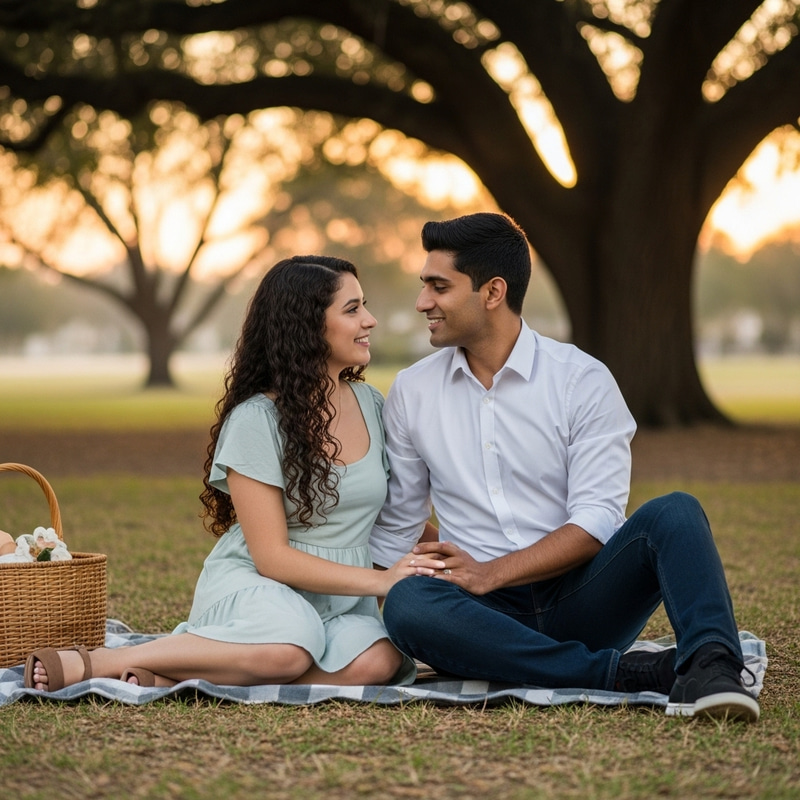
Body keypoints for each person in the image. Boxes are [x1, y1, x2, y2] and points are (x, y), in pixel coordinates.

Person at [370, 212, 760, 723]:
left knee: (675, 513)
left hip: (584, 598)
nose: (423, 302)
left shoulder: (582, 380)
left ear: (492, 292)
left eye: (438, 287)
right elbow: (398, 526)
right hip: (480, 616)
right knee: (408, 603)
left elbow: (596, 521)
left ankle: (712, 668)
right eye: (425, 286)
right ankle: (624, 674)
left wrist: (491, 572)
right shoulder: (413, 390)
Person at [25, 255, 442, 692]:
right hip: (261, 584)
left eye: (364, 306)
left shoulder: (371, 404)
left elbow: (391, 512)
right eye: (352, 309)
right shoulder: (256, 420)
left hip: (342, 598)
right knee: (288, 648)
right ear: (305, 324)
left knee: (378, 662)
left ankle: (181, 671)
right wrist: (382, 580)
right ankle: (106, 660)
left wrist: (459, 553)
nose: (369, 320)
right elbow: (271, 558)